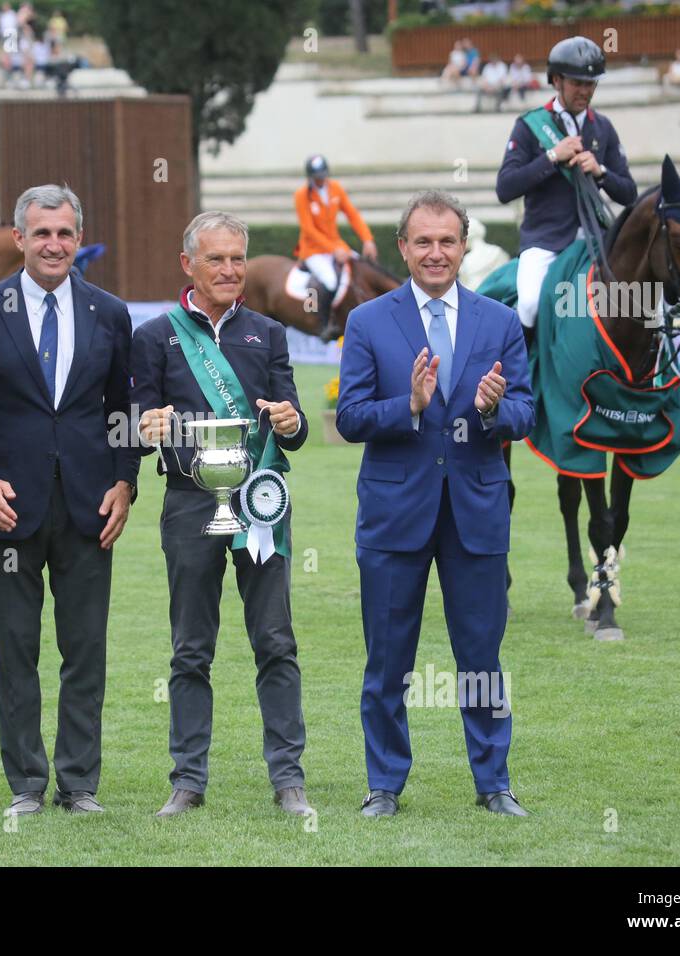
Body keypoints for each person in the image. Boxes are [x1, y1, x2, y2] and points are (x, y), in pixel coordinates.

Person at [335, 190, 535, 818]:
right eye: (423, 241)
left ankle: (493, 783)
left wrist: (493, 409)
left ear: (464, 246)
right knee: (388, 659)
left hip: (476, 514)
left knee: (480, 658)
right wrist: (412, 407)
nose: (436, 252)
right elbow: (349, 417)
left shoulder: (498, 321)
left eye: (447, 241)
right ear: (402, 248)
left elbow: (526, 413)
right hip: (396, 517)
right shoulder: (369, 321)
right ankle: (385, 786)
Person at [0, 184, 136, 817]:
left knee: (86, 651)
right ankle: (26, 782)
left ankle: (78, 783)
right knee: (15, 651)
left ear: (79, 239)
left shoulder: (110, 313)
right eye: (42, 233)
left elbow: (122, 414)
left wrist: (125, 482)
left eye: (66, 233)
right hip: (7, 511)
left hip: (89, 510)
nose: (55, 244)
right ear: (19, 239)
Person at [132, 211, 312, 820]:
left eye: (238, 257)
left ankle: (289, 779)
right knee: (190, 650)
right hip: (189, 504)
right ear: (189, 265)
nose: (231, 269)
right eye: (217, 259)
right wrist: (144, 423)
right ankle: (187, 781)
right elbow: (136, 418)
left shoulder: (268, 332)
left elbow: (294, 428)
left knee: (276, 643)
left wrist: (291, 422)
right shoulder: (156, 335)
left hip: (261, 502)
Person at [495, 36, 636, 339]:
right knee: (531, 304)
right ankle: (527, 377)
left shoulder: (603, 127)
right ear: (556, 80)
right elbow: (505, 188)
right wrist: (551, 157)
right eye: (577, 83)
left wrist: (602, 172)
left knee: (643, 301)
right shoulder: (529, 125)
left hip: (596, 240)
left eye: (591, 84)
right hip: (545, 241)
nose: (585, 91)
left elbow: (629, 193)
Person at [294, 154, 378, 341]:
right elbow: (308, 229)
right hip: (313, 250)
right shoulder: (302, 195)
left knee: (362, 269)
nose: (321, 179)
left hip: (337, 246)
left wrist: (368, 239)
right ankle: (324, 324)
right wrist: (334, 249)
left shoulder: (336, 189)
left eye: (323, 175)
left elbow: (353, 215)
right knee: (331, 281)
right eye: (317, 176)